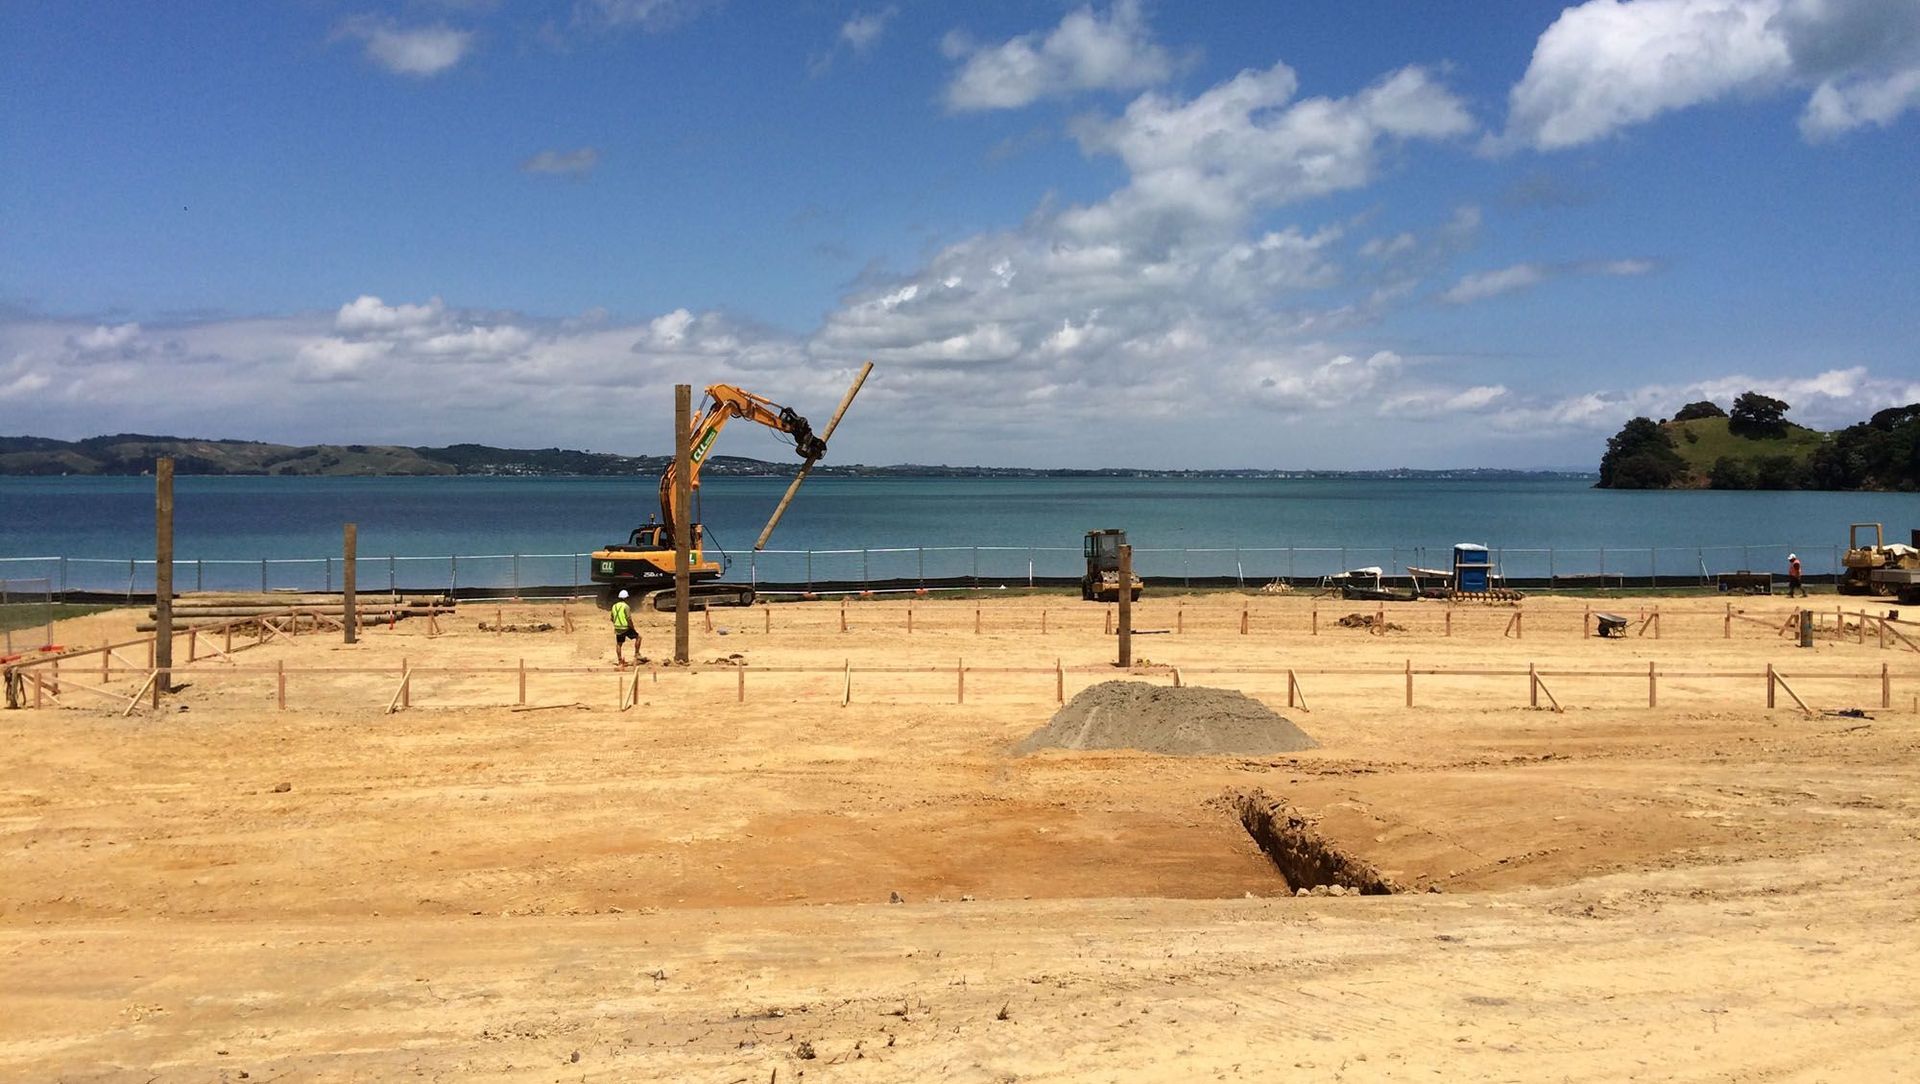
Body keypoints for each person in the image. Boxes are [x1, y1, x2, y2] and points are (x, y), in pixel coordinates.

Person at [611, 589, 638, 666]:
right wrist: (632, 628)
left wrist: (616, 624)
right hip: (626, 627)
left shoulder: (614, 606)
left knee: (619, 644)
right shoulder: (626, 606)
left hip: (617, 628)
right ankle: (637, 654)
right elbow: (629, 619)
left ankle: (620, 661)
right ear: (626, 598)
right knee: (638, 638)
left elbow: (612, 618)